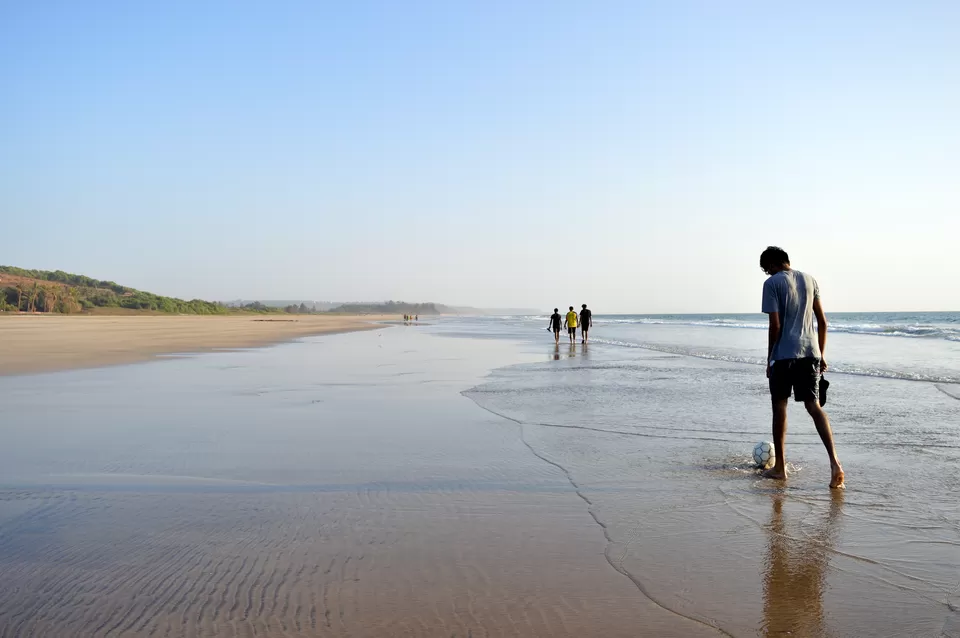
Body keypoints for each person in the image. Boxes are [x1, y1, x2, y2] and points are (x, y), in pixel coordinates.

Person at [760, 246, 844, 489]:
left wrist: (769, 358)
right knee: (814, 407)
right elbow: (823, 322)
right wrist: (821, 354)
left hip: (784, 355)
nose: (768, 273)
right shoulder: (810, 280)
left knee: (779, 407)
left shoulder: (772, 284)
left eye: (767, 269)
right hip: (810, 354)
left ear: (773, 264)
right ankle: (835, 463)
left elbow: (774, 326)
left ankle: (780, 468)